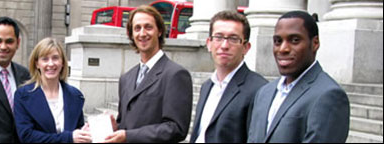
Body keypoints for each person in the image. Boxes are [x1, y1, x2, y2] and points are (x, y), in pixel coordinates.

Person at [247, 11, 350, 143]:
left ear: (315, 43)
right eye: (278, 41)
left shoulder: (329, 95)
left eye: (294, 40)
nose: (283, 49)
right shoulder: (264, 93)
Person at [104, 5, 193, 143]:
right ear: (131, 35)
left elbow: (176, 128)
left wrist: (129, 135)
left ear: (160, 31)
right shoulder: (126, 78)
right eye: (137, 28)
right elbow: (126, 124)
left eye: (148, 27)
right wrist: (115, 128)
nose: (142, 33)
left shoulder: (176, 74)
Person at [189, 10, 267, 143]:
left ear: (246, 47)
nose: (224, 46)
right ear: (209, 43)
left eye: (233, 39)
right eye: (218, 37)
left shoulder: (259, 90)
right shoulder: (207, 86)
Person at [14, 38, 91, 143]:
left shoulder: (75, 96)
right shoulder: (23, 95)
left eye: (55, 58)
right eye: (45, 59)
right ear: (37, 64)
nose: (50, 64)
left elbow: (78, 130)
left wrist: (86, 132)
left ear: (63, 62)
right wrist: (68, 138)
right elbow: (26, 136)